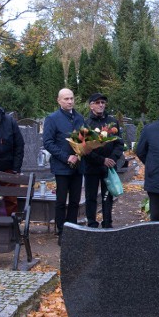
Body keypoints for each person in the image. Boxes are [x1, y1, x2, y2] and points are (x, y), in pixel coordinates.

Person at [43, 88, 85, 241]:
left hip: (78, 166)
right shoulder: (52, 118)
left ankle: (72, 229)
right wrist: (66, 157)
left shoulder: (80, 118)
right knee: (61, 201)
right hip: (62, 167)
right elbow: (48, 142)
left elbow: (84, 139)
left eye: (72, 98)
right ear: (59, 100)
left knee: (75, 201)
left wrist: (81, 152)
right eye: (66, 99)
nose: (70, 101)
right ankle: (61, 231)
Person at [82, 93, 123, 229]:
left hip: (109, 167)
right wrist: (101, 160)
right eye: (97, 102)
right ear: (91, 105)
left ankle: (107, 223)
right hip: (92, 166)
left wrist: (112, 159)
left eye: (103, 103)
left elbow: (119, 143)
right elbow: (84, 148)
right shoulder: (86, 123)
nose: (101, 105)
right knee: (91, 197)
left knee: (108, 196)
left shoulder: (112, 122)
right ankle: (92, 224)